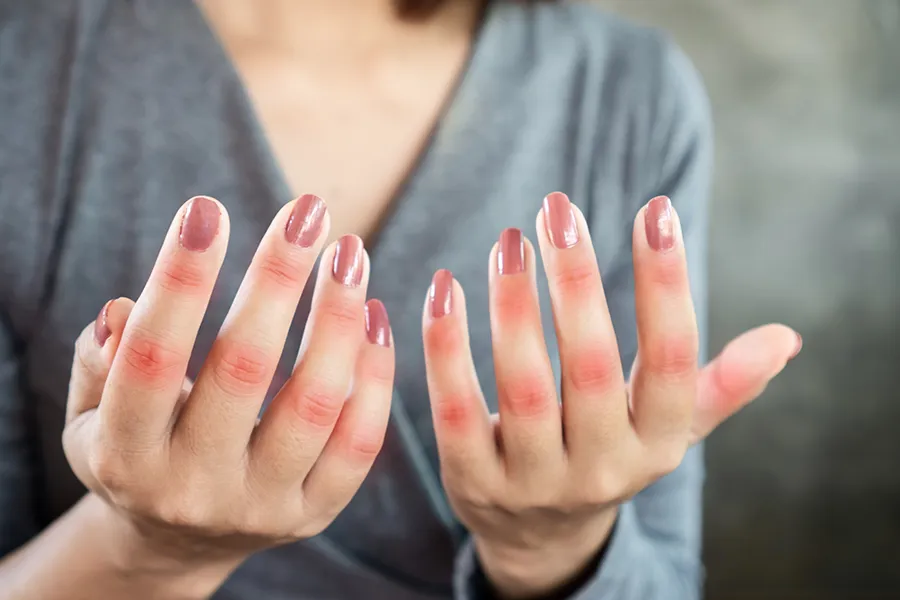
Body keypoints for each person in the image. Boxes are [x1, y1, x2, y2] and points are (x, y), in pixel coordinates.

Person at [0, 1, 801, 598]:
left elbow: (662, 579)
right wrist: (145, 551)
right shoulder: (25, 69)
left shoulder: (626, 92)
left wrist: (552, 549)